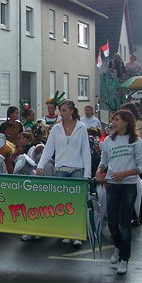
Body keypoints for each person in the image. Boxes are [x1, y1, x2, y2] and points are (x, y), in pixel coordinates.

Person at [95, 109, 142, 275]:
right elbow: (104, 159)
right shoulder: (110, 141)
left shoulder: (136, 142)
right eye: (113, 119)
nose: (114, 122)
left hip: (128, 185)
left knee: (125, 224)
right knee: (111, 223)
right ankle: (118, 247)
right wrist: (99, 170)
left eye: (117, 119)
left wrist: (124, 174)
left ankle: (124, 259)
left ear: (126, 121)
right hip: (112, 184)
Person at [37, 100, 91, 248]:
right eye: (61, 110)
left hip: (77, 169)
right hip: (60, 168)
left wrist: (87, 173)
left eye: (65, 110)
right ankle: (66, 232)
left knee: (76, 203)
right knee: (62, 203)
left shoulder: (81, 127)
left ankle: (77, 234)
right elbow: (48, 150)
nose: (62, 113)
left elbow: (86, 152)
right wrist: (40, 165)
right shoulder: (56, 129)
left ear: (72, 111)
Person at [120, 102, 142, 226]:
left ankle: (138, 215)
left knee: (139, 191)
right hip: (127, 165)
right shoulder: (122, 128)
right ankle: (130, 215)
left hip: (140, 164)